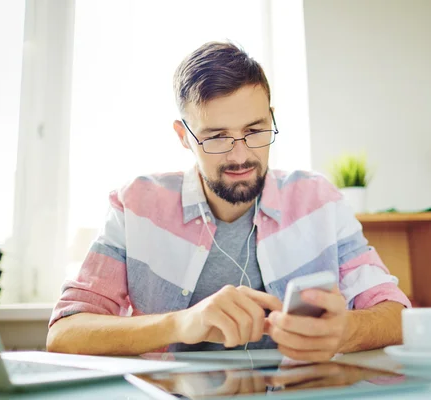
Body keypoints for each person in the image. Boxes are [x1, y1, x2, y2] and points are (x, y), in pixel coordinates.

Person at [47, 41, 411, 362]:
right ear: (184, 136)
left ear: (271, 119)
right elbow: (64, 334)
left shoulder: (320, 201)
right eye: (216, 137)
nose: (241, 156)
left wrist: (344, 331)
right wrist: (181, 323)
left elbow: (396, 315)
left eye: (255, 131)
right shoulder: (136, 205)